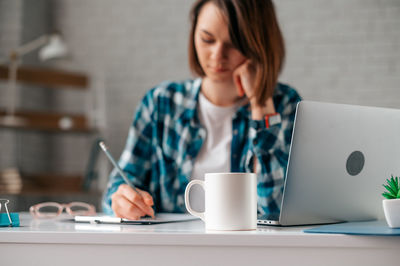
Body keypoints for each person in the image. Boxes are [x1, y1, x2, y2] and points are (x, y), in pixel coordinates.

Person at [102, 0, 301, 220]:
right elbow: (117, 188)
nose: (217, 55)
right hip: (172, 250)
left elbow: (277, 210)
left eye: (234, 43)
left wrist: (261, 103)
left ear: (259, 43)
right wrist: (122, 199)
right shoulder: (161, 103)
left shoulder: (286, 105)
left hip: (253, 252)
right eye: (207, 39)